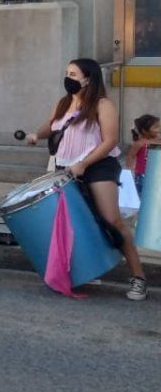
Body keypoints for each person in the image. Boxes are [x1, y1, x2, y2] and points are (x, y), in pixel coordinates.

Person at [26, 59, 147, 300]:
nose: (68, 78)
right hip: (66, 168)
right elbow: (52, 126)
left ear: (88, 79)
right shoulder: (63, 104)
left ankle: (138, 278)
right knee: (76, 222)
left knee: (112, 219)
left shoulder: (103, 105)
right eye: (66, 73)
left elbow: (110, 141)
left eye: (73, 73)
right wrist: (36, 134)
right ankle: (88, 269)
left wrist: (84, 163)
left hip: (98, 166)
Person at [126, 114, 159, 195]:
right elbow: (130, 156)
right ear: (145, 130)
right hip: (142, 176)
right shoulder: (140, 143)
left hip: (157, 174)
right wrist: (130, 173)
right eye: (156, 127)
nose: (159, 129)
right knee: (143, 196)